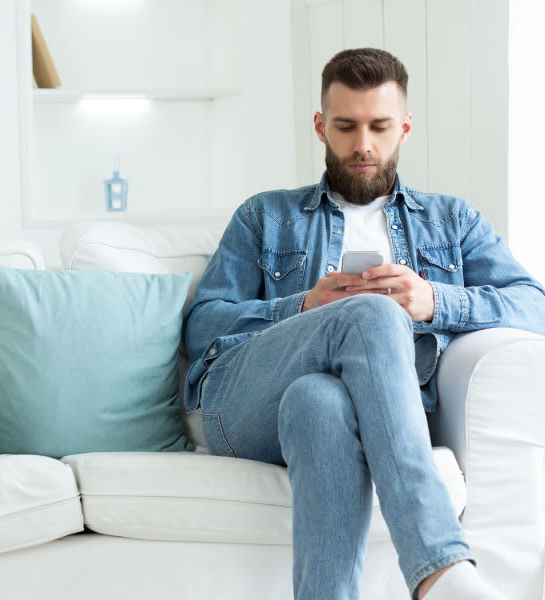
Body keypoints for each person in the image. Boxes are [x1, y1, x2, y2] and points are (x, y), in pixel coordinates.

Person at [184, 48, 545, 600]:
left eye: (379, 127)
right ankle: (439, 571)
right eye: (345, 126)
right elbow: (202, 327)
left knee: (320, 402)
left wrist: (434, 300)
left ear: (403, 128)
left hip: (345, 409)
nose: (362, 146)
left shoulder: (452, 220)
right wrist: (303, 307)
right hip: (246, 406)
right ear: (319, 126)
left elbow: (534, 306)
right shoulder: (265, 215)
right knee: (371, 312)